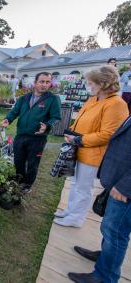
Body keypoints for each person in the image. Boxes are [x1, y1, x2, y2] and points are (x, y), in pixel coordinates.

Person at [54, 65, 129, 227]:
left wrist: (79, 140)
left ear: (102, 84)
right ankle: (70, 210)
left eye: (91, 83)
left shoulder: (116, 104)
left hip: (93, 154)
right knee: (75, 183)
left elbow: (108, 134)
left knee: (83, 188)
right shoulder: (94, 99)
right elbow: (81, 120)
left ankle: (76, 218)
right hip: (78, 148)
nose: (88, 86)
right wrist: (71, 132)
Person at [67, 114, 131, 283]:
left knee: (115, 233)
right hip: (118, 178)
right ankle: (106, 257)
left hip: (125, 188)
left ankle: (105, 277)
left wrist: (126, 186)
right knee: (110, 229)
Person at [1, 72, 61, 193]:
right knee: (19, 161)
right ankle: (19, 181)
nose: (44, 85)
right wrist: (8, 119)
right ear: (35, 83)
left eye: (47, 82)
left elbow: (56, 117)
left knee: (33, 163)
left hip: (37, 138)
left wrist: (47, 126)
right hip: (21, 136)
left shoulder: (53, 99)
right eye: (42, 81)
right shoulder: (24, 98)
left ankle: (27, 185)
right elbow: (15, 111)